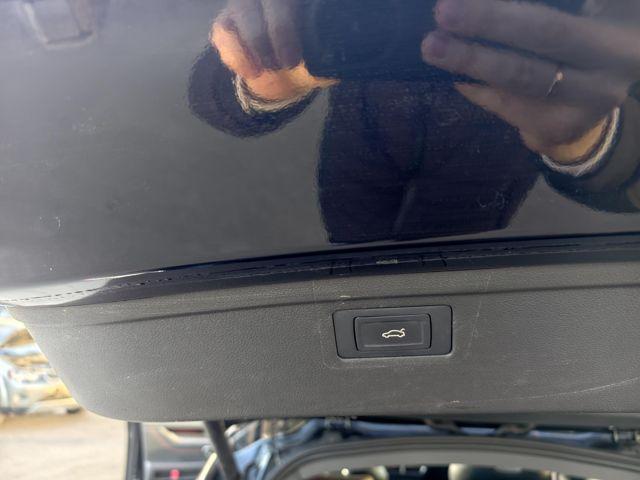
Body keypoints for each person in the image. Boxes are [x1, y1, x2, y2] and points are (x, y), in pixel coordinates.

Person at [189, 0, 640, 243]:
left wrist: (590, 135)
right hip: (366, 138)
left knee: (462, 277)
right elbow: (214, 87)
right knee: (355, 255)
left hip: (492, 150)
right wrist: (259, 68)